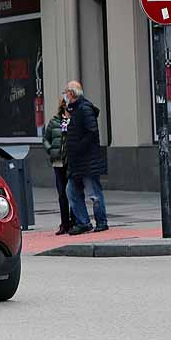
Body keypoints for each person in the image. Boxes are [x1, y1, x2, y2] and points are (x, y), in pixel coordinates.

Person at [63, 81, 108, 234]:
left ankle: (101, 221)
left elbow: (92, 132)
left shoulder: (84, 108)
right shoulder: (73, 110)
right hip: (77, 162)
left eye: (66, 92)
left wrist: (78, 147)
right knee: (71, 191)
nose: (65, 96)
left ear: (72, 93)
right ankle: (83, 222)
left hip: (87, 160)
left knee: (94, 192)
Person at [42, 97, 73, 236]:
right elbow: (46, 139)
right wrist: (51, 150)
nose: (67, 108)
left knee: (73, 193)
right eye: (65, 106)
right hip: (58, 162)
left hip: (72, 162)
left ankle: (75, 221)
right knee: (62, 194)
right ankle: (64, 223)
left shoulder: (74, 120)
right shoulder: (54, 121)